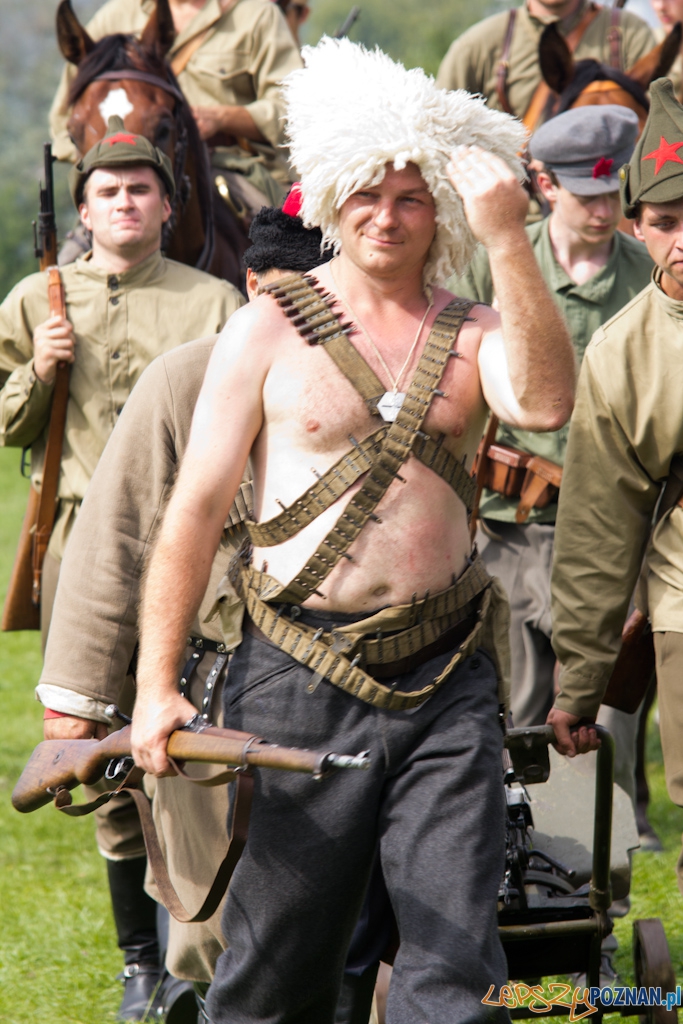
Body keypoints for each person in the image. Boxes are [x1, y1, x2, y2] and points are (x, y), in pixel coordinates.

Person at [130, 36, 575, 1024]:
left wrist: (508, 240)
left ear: (437, 214)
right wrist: (156, 685)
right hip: (293, 675)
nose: (386, 215)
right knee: (276, 973)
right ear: (331, 200)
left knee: (455, 965)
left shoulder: (476, 329)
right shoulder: (267, 327)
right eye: (366, 194)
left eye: (410, 197)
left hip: (447, 679)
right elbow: (196, 508)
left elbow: (543, 403)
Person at [35, 201, 385, 1024]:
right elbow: (116, 535)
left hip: (357, 681)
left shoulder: (389, 374)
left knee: (359, 913)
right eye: (282, 293)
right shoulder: (186, 377)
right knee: (218, 920)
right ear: (251, 285)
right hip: (216, 689)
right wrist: (76, 705)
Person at [0, 116, 244, 1021]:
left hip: (196, 552)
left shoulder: (213, 302)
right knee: (97, 751)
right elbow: (6, 424)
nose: (125, 202)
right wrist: (37, 372)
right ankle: (141, 964)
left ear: (169, 206)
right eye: (107, 191)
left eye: (141, 188)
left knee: (193, 741)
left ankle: (207, 941)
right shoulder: (38, 299)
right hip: (77, 548)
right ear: (85, 211)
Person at [450, 106, 651, 740]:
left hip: (620, 532)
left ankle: (618, 838)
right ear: (545, 186)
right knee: (516, 707)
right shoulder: (495, 265)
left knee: (608, 718)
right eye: (588, 195)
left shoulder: (653, 274)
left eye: (615, 194)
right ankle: (520, 839)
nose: (603, 209)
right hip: (512, 527)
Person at [548, 77, 683, 898]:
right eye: (665, 223)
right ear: (635, 227)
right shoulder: (620, 353)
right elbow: (599, 534)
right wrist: (578, 684)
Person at [50, 0, 303, 207]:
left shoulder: (256, 15)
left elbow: (293, 109)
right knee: (67, 261)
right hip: (124, 174)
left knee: (281, 252)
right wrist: (100, 162)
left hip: (234, 166)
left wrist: (222, 118)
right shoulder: (115, 17)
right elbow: (65, 121)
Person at [436, 0, 654, 127]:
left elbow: (659, 123)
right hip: (518, 202)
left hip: (610, 198)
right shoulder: (477, 45)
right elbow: (441, 131)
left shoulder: (629, 33)